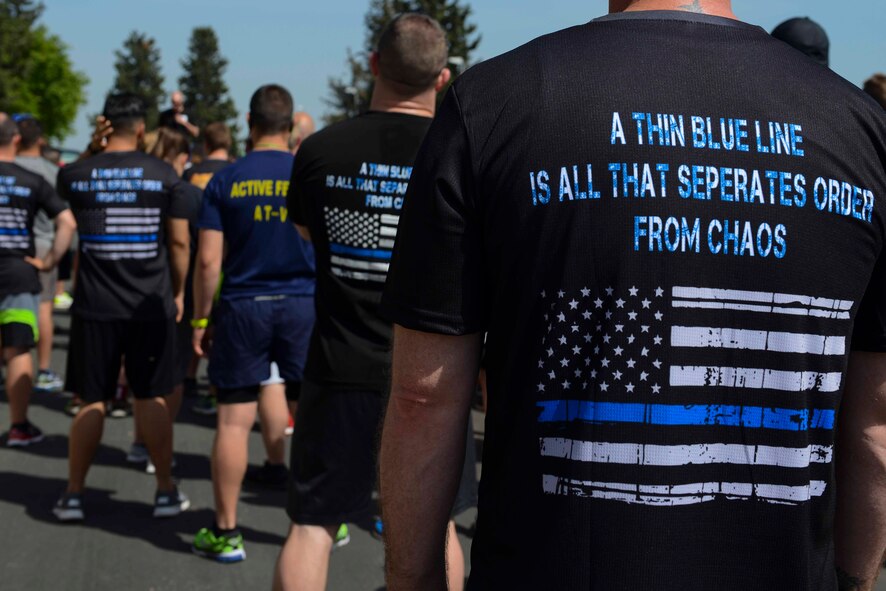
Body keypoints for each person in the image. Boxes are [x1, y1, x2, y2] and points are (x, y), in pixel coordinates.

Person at [377, 1, 886, 590]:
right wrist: (852, 579)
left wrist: (412, 581)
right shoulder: (859, 127)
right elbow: (874, 421)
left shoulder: (493, 102)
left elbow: (423, 398)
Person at [273, 14, 476, 591]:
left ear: (373, 64)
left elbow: (310, 237)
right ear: (441, 79)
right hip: (437, 374)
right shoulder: (463, 152)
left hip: (340, 364)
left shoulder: (318, 150)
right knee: (436, 531)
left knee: (312, 525)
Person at [190, 84, 315, 563]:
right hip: (303, 304)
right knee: (311, 417)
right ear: (289, 127)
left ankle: (226, 532)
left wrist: (202, 318)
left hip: (244, 305)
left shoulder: (226, 178)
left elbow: (207, 262)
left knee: (233, 421)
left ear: (249, 122)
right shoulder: (308, 173)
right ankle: (321, 520)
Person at [53, 93, 192, 521]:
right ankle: (165, 491)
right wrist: (180, 291)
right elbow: (180, 241)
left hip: (95, 305)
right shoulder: (163, 173)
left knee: (91, 398)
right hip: (148, 304)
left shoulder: (76, 174)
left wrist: (94, 149)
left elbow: (73, 190)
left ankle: (74, 494)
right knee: (149, 395)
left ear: (105, 124)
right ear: (141, 128)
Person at [0, 113, 76, 446]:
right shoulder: (30, 179)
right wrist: (49, 263)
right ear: (15, 139)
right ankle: (19, 426)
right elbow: (68, 223)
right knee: (17, 349)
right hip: (18, 272)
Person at [13, 114, 65, 392]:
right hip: (44, 243)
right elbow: (65, 218)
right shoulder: (51, 172)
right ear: (41, 140)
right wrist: (55, 257)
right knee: (44, 307)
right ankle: (43, 369)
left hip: (13, 245)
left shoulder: (9, 167)